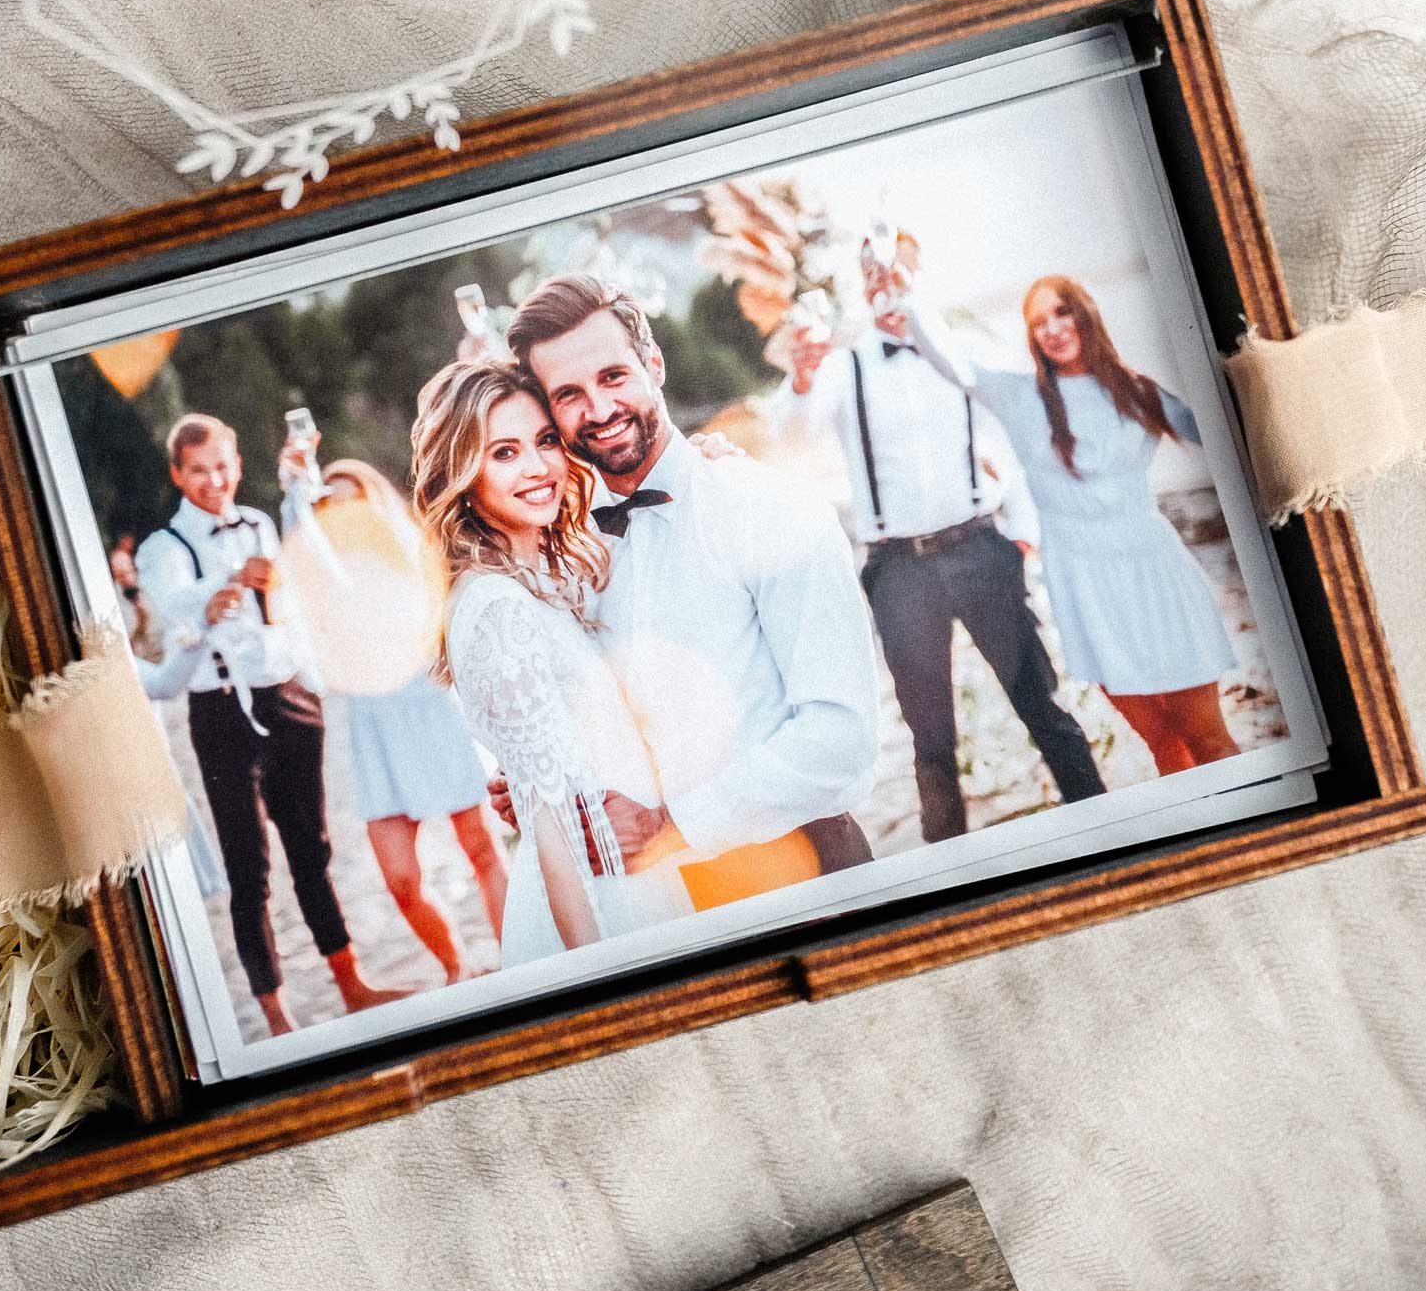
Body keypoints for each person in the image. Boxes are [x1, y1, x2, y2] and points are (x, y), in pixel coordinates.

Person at [502, 273, 878, 909]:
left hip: (802, 872)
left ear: (654, 363)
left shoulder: (771, 510)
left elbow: (842, 741)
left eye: (613, 377)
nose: (597, 410)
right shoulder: (568, 551)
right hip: (655, 900)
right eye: (568, 395)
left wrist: (672, 824)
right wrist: (548, 782)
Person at [780, 234, 1105, 844]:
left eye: (895, 269)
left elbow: (1013, 444)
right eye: (871, 273)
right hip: (899, 572)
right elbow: (795, 433)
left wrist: (1023, 537)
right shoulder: (842, 368)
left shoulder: (956, 354)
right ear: (862, 284)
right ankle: (949, 865)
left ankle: (1107, 827)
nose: (884, 282)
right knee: (930, 740)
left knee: (1041, 705)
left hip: (981, 551)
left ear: (915, 273)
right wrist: (800, 378)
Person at [894, 272, 1242, 775]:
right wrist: (907, 295)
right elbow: (951, 362)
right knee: (1162, 742)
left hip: (1156, 573)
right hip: (1085, 585)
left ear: (1087, 314)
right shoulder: (1020, 398)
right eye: (1038, 322)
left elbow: (1229, 430)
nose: (1053, 329)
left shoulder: (1140, 393)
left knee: (1207, 736)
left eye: (1063, 312)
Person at [409, 358, 692, 964]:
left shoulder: (539, 576)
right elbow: (553, 826)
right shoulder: (494, 606)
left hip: (639, 870)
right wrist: (595, 972)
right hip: (601, 901)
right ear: (463, 473)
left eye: (543, 441)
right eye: (503, 453)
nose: (538, 468)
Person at [133, 414, 407, 1035]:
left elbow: (298, 587)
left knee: (313, 851)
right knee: (248, 868)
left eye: (223, 466)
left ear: (237, 463)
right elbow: (174, 607)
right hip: (221, 707)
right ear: (177, 474)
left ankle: (352, 984)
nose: (215, 481)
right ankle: (277, 1017)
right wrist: (225, 584)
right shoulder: (161, 549)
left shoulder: (258, 522)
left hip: (288, 697)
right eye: (199, 471)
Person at [279, 455, 510, 978]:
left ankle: (514, 956)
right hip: (373, 732)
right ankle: (457, 969)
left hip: (429, 711)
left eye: (350, 503)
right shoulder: (323, 579)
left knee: (481, 849)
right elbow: (305, 550)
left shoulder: (404, 557)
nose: (340, 516)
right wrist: (295, 488)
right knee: (401, 881)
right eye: (327, 508)